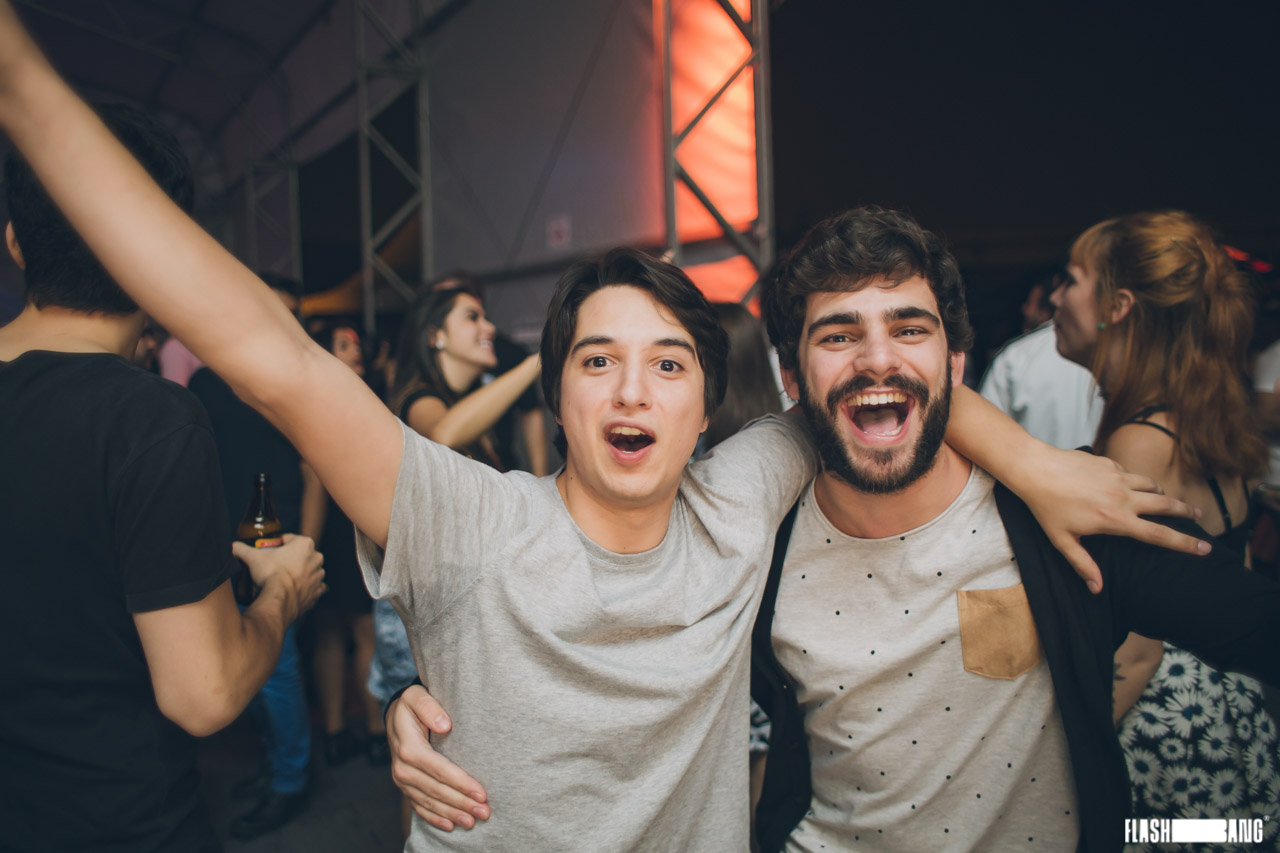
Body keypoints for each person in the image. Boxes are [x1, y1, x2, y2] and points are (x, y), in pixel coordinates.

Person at [0, 19, 1205, 848]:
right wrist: (22, 85)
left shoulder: (740, 495)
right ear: (555, 395)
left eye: (667, 363)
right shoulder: (468, 520)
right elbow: (269, 356)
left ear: (708, 403)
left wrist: (1031, 459)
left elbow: (870, 380)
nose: (632, 390)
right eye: (595, 360)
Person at [743, 206, 1280, 853]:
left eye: (909, 329)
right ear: (791, 375)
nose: (877, 358)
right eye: (837, 336)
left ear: (955, 362)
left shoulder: (1065, 518)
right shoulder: (756, 543)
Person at [0, 101, 325, 853]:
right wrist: (283, 593)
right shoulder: (148, 418)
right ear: (162, 248)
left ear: (14, 240)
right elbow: (204, 694)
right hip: (121, 824)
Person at [1051, 210, 1279, 847]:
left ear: (1117, 306)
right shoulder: (1197, 418)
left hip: (1165, 722)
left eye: (1071, 279)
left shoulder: (1140, 441)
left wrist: (1064, 764)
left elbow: (1139, 648)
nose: (1056, 298)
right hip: (1226, 705)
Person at [188, 276, 317, 840]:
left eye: (293, 312)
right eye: (275, 308)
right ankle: (274, 766)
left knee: (278, 672)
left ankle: (291, 780)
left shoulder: (292, 382)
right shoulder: (207, 381)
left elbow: (315, 474)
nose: (283, 320)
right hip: (221, 548)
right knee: (247, 668)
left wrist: (304, 549)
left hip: (278, 546)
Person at [300, 322, 388, 767]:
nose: (355, 351)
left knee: (339, 630)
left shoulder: (332, 400)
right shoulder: (334, 403)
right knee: (351, 630)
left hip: (344, 527)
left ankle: (344, 732)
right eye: (343, 345)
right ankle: (370, 732)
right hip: (346, 528)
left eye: (356, 344)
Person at [980, 274, 1104, 449]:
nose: (1055, 297)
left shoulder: (1016, 357)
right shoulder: (1015, 358)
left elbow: (985, 438)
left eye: (1071, 282)